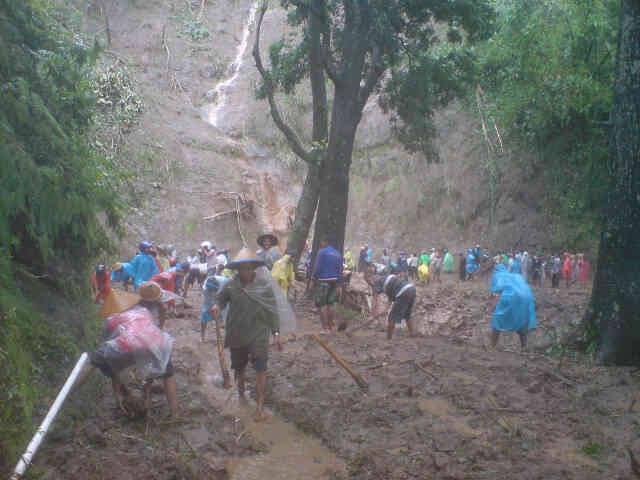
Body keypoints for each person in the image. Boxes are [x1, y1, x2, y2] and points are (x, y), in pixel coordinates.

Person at [212, 248, 282, 421]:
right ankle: (241, 395)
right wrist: (216, 307)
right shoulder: (230, 285)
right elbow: (220, 300)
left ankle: (259, 405)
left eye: (249, 267)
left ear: (254, 268)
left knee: (261, 368)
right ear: (237, 269)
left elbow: (271, 310)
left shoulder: (264, 286)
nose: (246, 271)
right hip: (237, 332)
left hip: (259, 332)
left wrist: (276, 332)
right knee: (239, 367)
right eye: (242, 268)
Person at [90, 282, 178, 417]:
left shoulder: (124, 312)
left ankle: (119, 400)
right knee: (168, 372)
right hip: (152, 341)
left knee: (111, 363)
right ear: (158, 300)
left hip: (125, 344)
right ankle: (174, 412)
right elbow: (157, 330)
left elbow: (108, 338)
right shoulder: (155, 310)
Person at [488, 264, 537, 351]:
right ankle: (524, 347)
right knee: (521, 320)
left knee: (497, 319)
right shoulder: (515, 276)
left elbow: (496, 291)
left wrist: (493, 306)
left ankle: (492, 346)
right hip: (527, 298)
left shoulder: (498, 275)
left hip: (510, 297)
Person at [365, 267, 418, 340]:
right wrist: (386, 309)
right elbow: (391, 296)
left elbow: (374, 301)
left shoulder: (376, 283)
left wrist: (372, 315)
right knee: (407, 314)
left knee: (391, 317)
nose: (369, 284)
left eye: (368, 282)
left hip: (403, 292)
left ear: (370, 278)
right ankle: (412, 333)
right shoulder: (385, 278)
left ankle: (388, 339)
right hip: (411, 289)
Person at [312, 236, 343, 332]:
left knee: (320, 305)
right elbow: (340, 270)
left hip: (323, 281)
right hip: (335, 281)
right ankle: (330, 327)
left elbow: (317, 267)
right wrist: (339, 284)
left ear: (324, 242)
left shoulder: (322, 252)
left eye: (321, 242)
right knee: (331, 304)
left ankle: (324, 328)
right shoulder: (338, 254)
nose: (320, 244)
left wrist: (314, 278)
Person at [201, 273, 229, 342]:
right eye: (211, 291)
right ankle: (202, 337)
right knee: (205, 314)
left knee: (221, 315)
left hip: (224, 296)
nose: (212, 292)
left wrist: (218, 306)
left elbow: (224, 299)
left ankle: (220, 335)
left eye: (214, 290)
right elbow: (207, 302)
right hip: (210, 299)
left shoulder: (225, 283)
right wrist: (211, 307)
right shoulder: (205, 288)